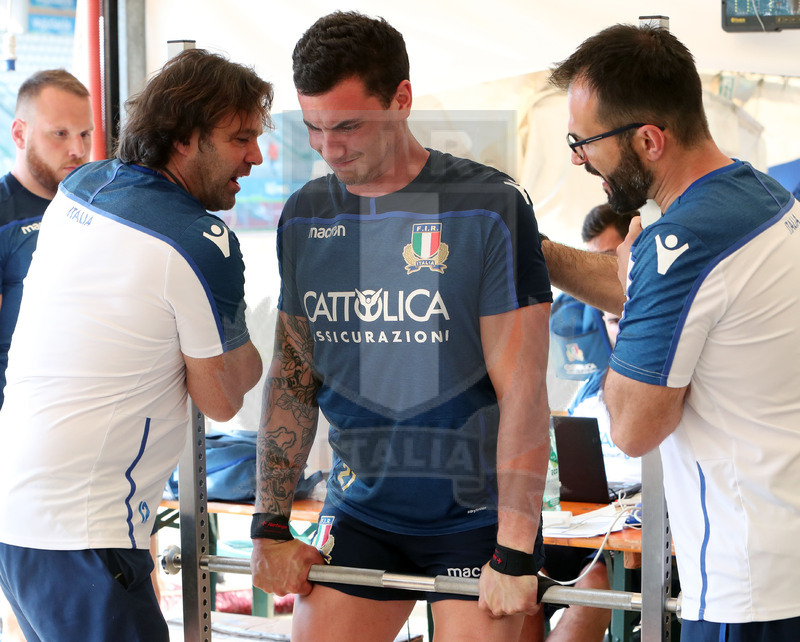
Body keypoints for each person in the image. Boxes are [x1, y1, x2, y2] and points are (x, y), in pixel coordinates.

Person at [250, 11, 552, 642]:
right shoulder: (305, 214)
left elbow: (524, 388)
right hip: (361, 511)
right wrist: (270, 526)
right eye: (313, 128)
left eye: (349, 126)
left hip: (474, 517)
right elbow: (293, 377)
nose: (330, 148)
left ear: (402, 99)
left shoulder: (489, 207)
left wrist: (517, 549)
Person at [0, 49, 271, 641]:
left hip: (21, 517)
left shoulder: (82, 187)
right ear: (183, 137)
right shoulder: (199, 241)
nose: (255, 156)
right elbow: (222, 396)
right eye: (240, 138)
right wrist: (247, 355)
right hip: (84, 532)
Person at [542, 24, 800, 641]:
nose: (579, 160)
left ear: (649, 140)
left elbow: (633, 428)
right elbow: (649, 288)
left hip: (747, 580)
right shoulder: (755, 195)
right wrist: (536, 250)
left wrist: (634, 314)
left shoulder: (682, 247)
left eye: (583, 143)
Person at [0, 65, 93, 642]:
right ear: (20, 133)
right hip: (21, 454)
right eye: (60, 134)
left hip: (92, 447)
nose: (77, 149)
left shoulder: (93, 211)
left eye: (85, 135)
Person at [524, 204, 639, 642]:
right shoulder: (587, 389)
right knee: (523, 584)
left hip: (633, 537)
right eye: (612, 319)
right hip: (585, 524)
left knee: (592, 588)